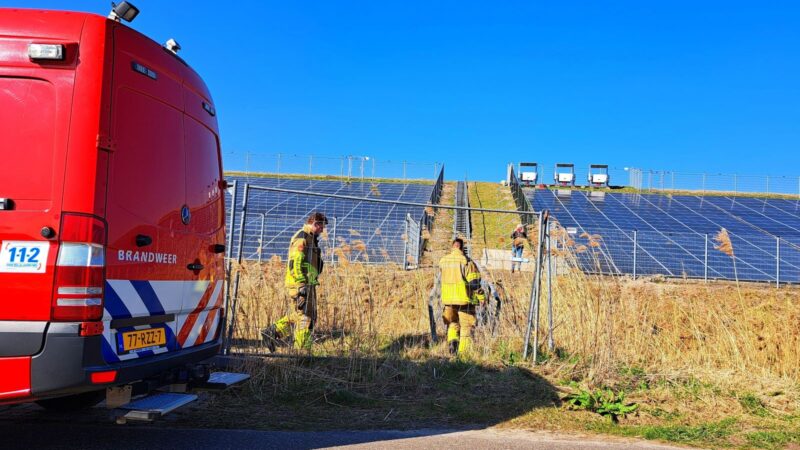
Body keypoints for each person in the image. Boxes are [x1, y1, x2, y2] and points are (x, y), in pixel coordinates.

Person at [261, 212, 327, 351]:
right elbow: (295, 262)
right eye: (321, 226)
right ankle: (301, 349)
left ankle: (274, 333)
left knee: (308, 315)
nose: (323, 230)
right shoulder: (302, 238)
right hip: (300, 284)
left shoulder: (311, 238)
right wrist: (301, 283)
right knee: (305, 316)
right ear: (315, 223)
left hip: (309, 283)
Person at [439, 238, 484, 356]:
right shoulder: (467, 262)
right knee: (466, 327)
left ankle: (452, 348)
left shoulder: (443, 261)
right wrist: (481, 297)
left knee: (452, 323)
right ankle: (463, 355)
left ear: (452, 246)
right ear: (462, 248)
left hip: (448, 300)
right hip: (464, 300)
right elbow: (474, 283)